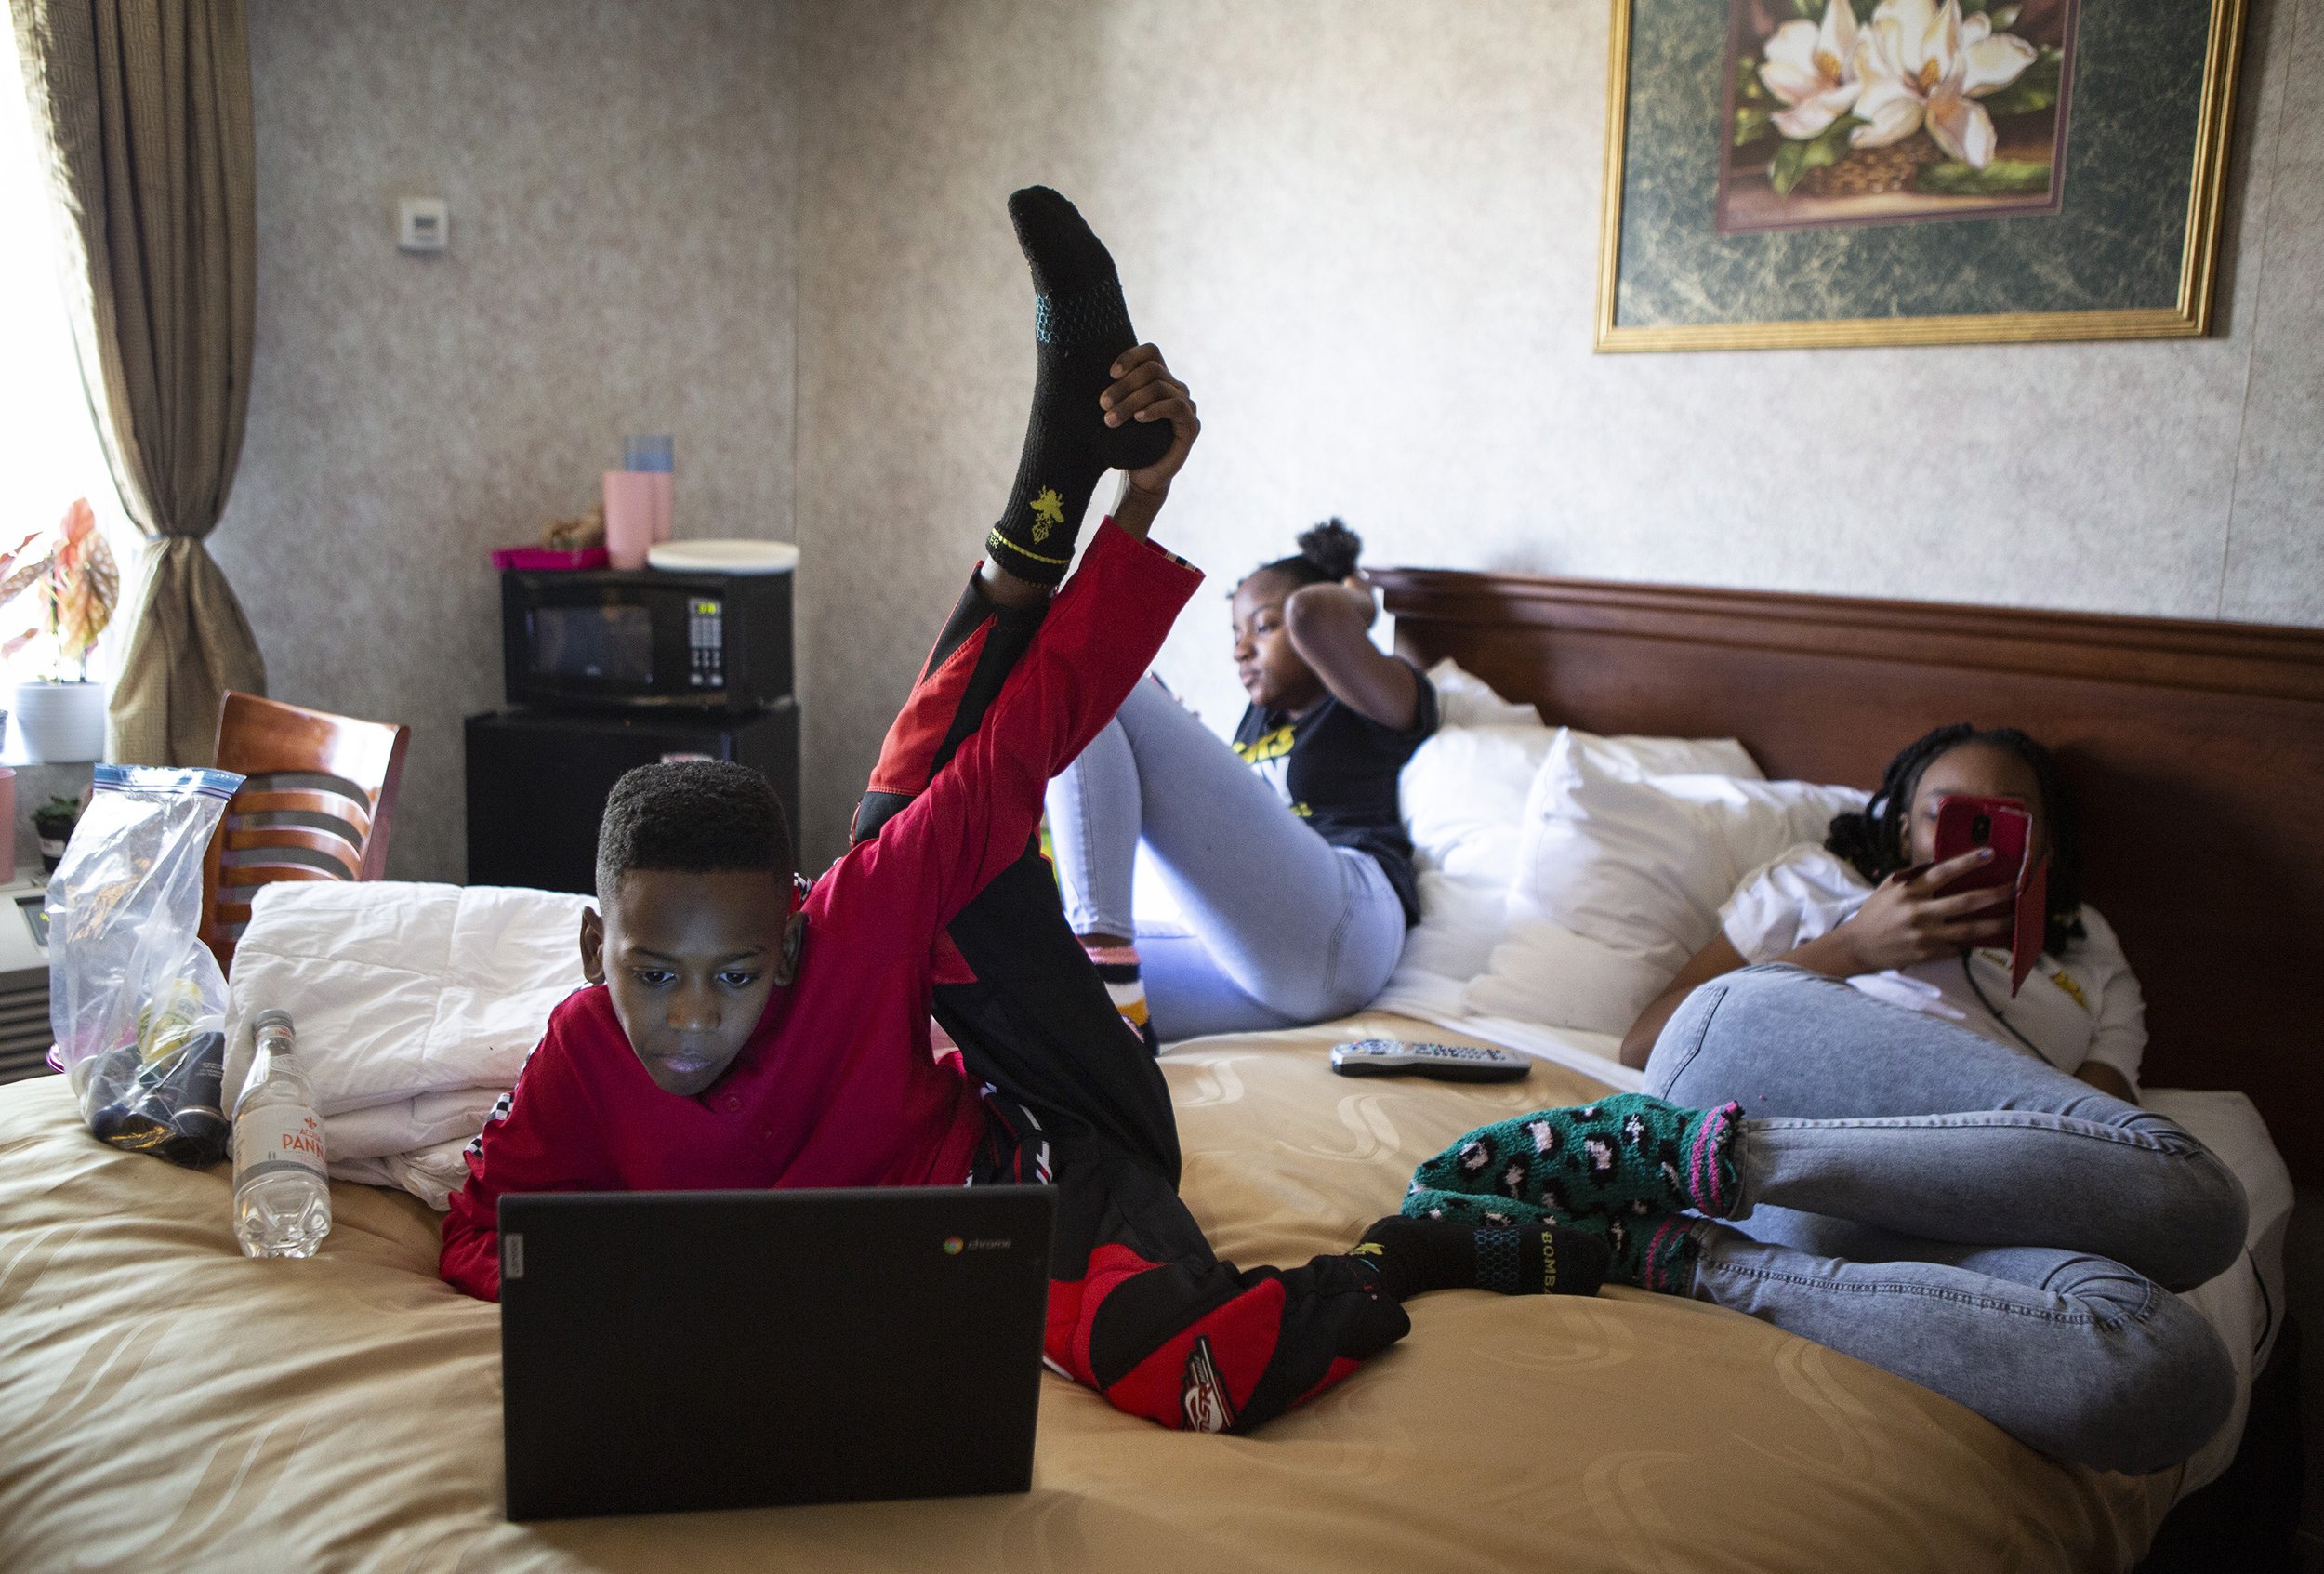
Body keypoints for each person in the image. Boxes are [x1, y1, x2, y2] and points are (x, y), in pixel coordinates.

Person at [441, 188, 1604, 1436]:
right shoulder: (578, 1054)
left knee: (1178, 1366)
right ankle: (1048, 480)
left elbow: (1022, 749)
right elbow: (476, 1238)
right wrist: (653, 1277)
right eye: (652, 974)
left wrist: (1144, 512)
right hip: (911, 1207)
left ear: (785, 938)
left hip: (1053, 1143)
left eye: (734, 977)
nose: (689, 1020)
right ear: (591, 950)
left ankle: (1399, 1254)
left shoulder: (850, 929)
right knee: (907, 823)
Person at [1399, 725, 2248, 1474]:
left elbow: (2110, 1146)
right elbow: (1653, 1039)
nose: (1977, 840)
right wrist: (1852, 946)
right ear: (1902, 824)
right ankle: (1676, 1153)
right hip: (1752, 1100)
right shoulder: (1819, 882)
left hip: (1943, 1195)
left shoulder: (2089, 946)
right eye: (1946, 814)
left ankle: (1679, 1257)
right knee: (2207, 1202)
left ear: (2048, 844)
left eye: (2008, 819)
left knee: (2169, 1374)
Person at [1043, 518, 1440, 1043]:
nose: (1240, 650)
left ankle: (1104, 955)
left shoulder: (1381, 699)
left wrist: (1359, 597)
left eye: (1263, 627)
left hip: (1351, 922)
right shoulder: (1256, 724)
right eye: (1236, 634)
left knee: (1101, 680)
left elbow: (1313, 615)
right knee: (1032, 984)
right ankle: (1109, 1005)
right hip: (1270, 970)